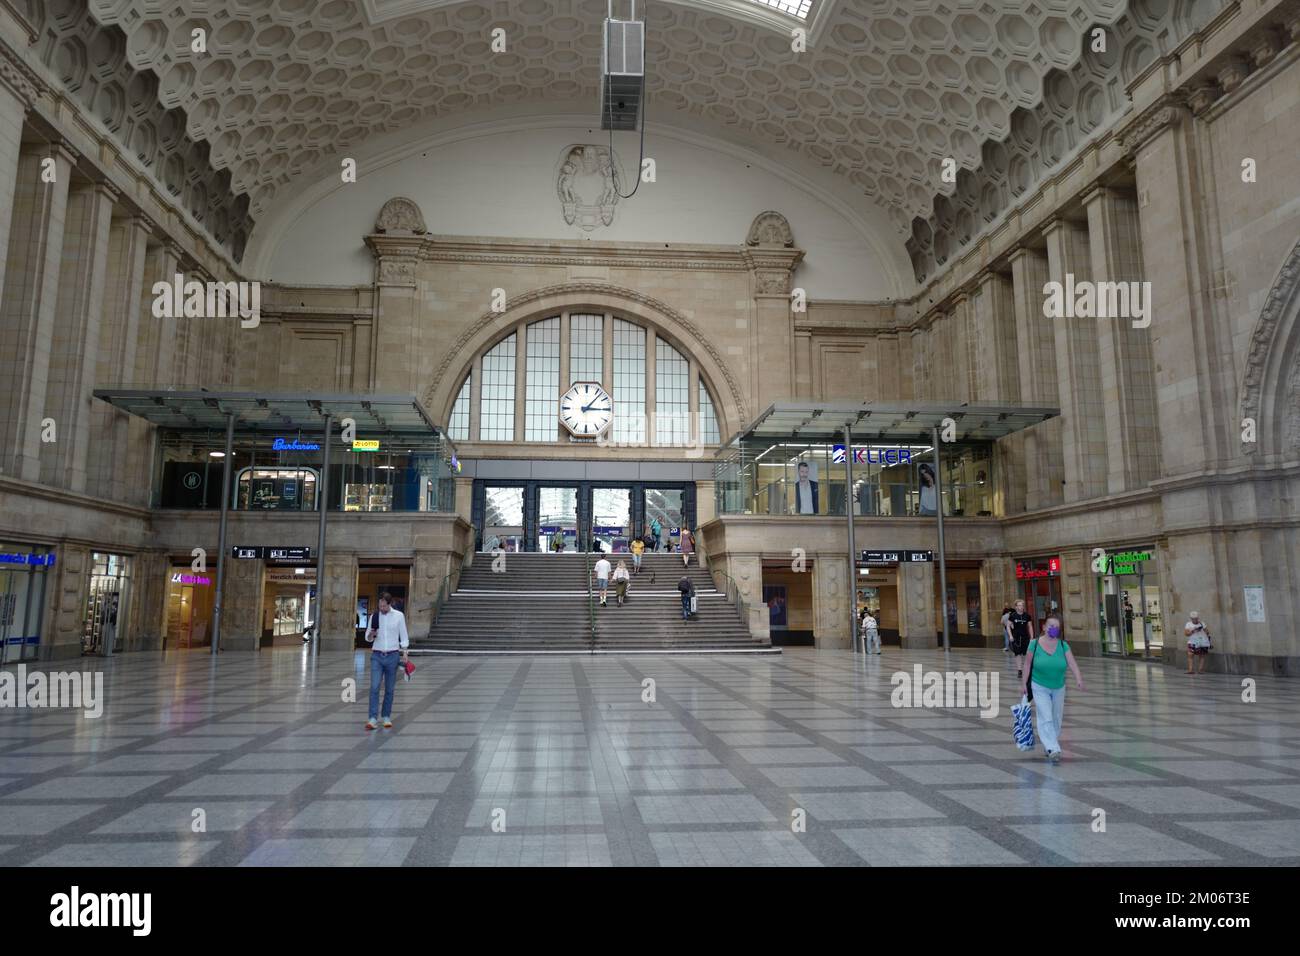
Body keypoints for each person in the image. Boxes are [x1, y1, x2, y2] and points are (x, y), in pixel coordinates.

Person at [1020, 615, 1085, 763]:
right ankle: (1053, 748)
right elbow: (1027, 664)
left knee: (1056, 717)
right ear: (1044, 627)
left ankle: (1049, 743)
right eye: (1051, 626)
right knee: (1045, 716)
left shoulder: (1063, 645)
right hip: (1039, 685)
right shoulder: (1034, 644)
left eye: (1056, 627)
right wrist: (1024, 683)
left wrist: (1079, 679)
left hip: (1058, 686)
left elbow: (1072, 663)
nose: (1053, 629)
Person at [364, 592, 409, 731]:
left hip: (392, 656)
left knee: (390, 688)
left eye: (383, 605)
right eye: (380, 605)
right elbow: (368, 637)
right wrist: (372, 634)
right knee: (375, 687)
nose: (381, 608)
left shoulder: (398, 616)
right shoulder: (375, 616)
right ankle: (372, 718)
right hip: (377, 655)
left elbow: (403, 634)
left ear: (389, 604)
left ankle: (386, 716)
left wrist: (405, 652)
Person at [1008, 598, 1034, 679]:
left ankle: (1027, 669)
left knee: (1026, 654)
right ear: (1016, 607)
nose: (1021, 607)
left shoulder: (1027, 616)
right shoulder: (1012, 616)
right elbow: (1008, 626)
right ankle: (1019, 670)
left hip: (1025, 637)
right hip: (1016, 637)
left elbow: (1030, 626)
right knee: (1017, 654)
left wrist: (1032, 637)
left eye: (1022, 605)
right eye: (1019, 605)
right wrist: (1010, 636)